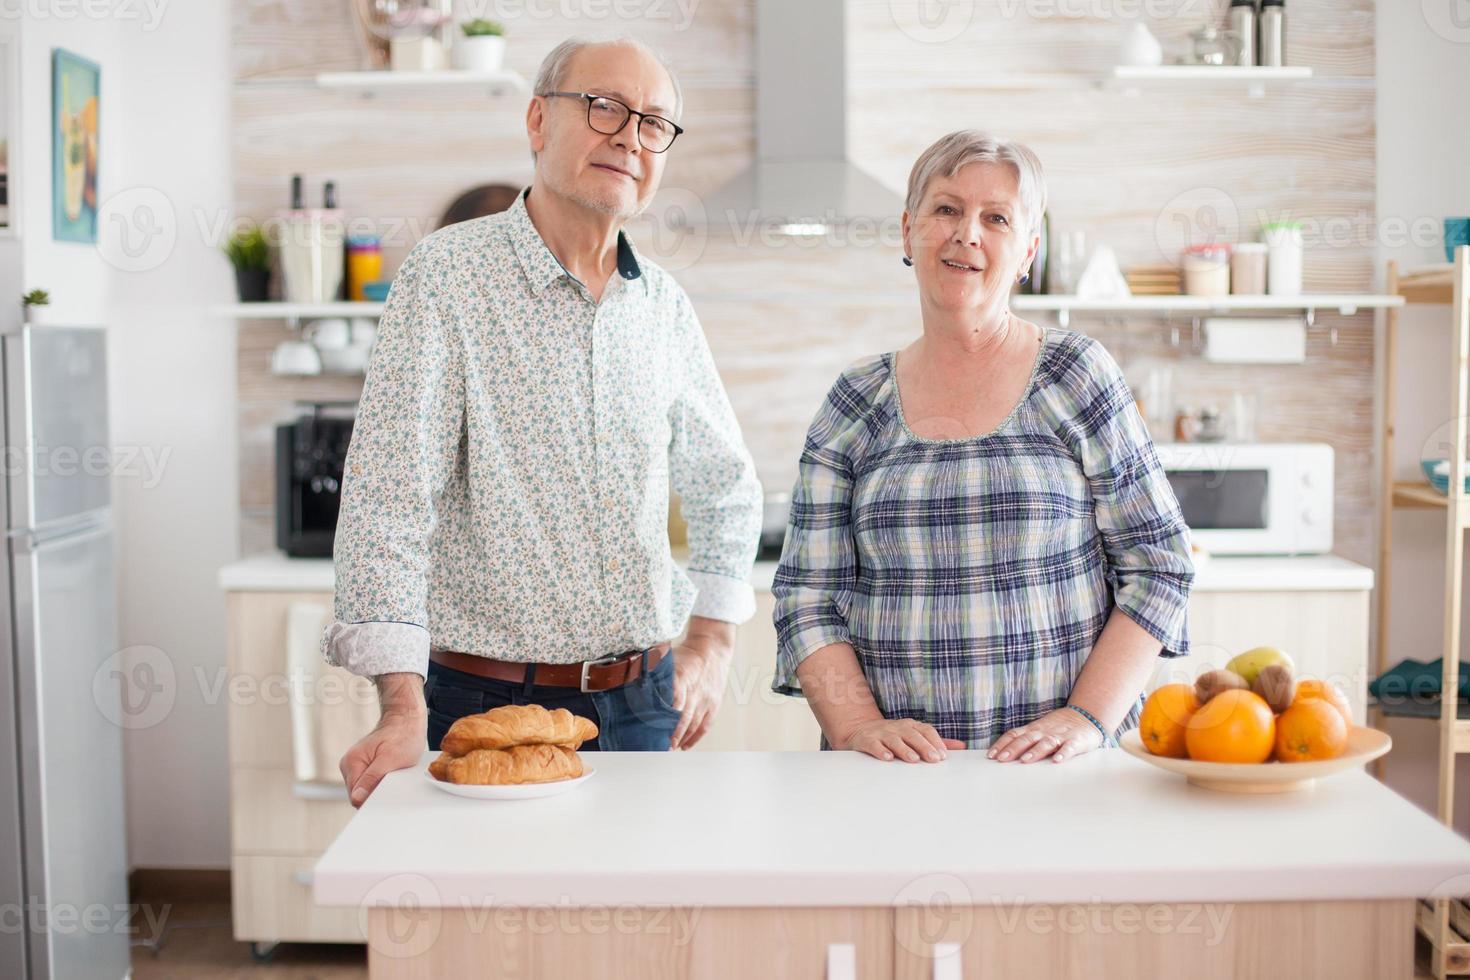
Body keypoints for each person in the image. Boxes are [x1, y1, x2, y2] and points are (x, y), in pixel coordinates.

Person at [326, 37, 762, 807]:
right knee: (494, 926)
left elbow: (725, 482)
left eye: (654, 123)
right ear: (537, 120)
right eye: (604, 108)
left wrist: (713, 640)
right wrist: (400, 704)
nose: (630, 135)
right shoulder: (448, 276)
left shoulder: (661, 304)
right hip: (482, 707)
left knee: (635, 920)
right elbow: (388, 502)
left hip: (641, 705)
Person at [772, 130, 1193, 766]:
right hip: (893, 780)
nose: (967, 232)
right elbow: (808, 597)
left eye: (996, 218)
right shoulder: (856, 400)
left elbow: (1160, 564)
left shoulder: (1075, 374)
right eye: (946, 209)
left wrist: (1085, 718)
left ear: (1027, 251)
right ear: (908, 230)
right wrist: (857, 725)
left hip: (1061, 775)